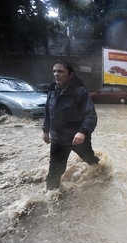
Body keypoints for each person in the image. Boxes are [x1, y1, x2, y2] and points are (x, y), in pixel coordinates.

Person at [42, 59, 100, 190]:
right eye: (54, 71)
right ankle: (53, 198)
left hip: (78, 139)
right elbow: (47, 111)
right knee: (54, 172)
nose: (56, 74)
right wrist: (45, 130)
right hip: (58, 140)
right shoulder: (51, 91)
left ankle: (103, 171)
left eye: (60, 71)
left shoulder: (80, 92)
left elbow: (90, 115)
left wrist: (83, 132)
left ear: (70, 74)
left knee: (90, 160)